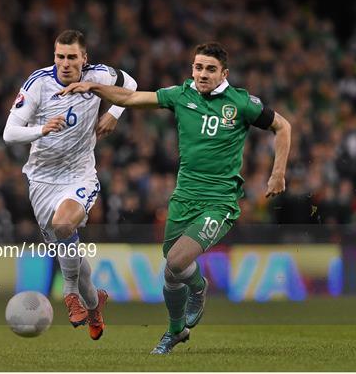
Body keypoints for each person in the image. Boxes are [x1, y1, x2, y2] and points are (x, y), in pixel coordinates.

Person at [59, 42, 291, 353]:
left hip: (219, 201)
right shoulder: (181, 95)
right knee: (171, 270)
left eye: (210, 69)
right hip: (184, 197)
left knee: (177, 260)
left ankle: (198, 288)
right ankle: (176, 330)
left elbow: (283, 126)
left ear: (224, 72)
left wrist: (277, 173)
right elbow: (129, 97)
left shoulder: (241, 103)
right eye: (198, 67)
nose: (202, 74)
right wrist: (93, 87)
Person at [3, 30, 137, 340]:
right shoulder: (38, 83)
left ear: (84, 58)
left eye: (72, 57)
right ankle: (94, 305)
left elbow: (130, 84)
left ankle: (70, 293)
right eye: (60, 57)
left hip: (80, 175)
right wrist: (41, 129)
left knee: (64, 225)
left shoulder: (100, 75)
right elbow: (10, 133)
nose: (65, 63)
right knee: (71, 250)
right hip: (41, 180)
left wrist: (115, 113)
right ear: (54, 57)